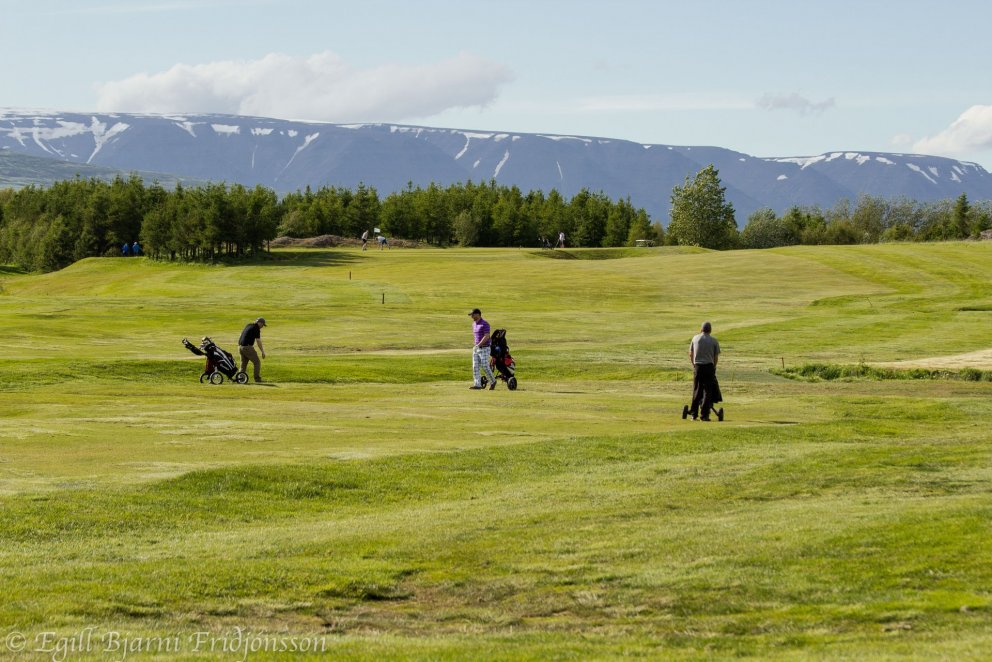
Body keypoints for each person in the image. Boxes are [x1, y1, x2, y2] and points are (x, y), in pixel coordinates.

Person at [688, 321, 722, 421]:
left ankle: (694, 414)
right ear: (710, 330)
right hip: (709, 367)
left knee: (697, 390)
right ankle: (704, 415)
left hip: (698, 367)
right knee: (708, 391)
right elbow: (716, 357)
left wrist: (694, 365)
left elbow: (691, 354)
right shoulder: (714, 341)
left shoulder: (695, 338)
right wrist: (714, 367)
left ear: (701, 329)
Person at [468, 308, 497, 390]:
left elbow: (487, 336)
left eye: (473, 315)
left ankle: (493, 381)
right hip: (476, 348)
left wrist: (479, 344)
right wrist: (476, 345)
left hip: (485, 348)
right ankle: (477, 384)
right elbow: (476, 336)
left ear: (478, 314)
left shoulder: (485, 324)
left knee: (484, 365)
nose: (471, 317)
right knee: (475, 367)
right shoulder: (474, 324)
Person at [238, 317, 267, 383]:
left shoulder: (248, 325)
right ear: (259, 323)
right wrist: (262, 351)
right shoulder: (256, 328)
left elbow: (241, 334)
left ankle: (240, 379)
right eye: (262, 325)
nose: (262, 326)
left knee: (243, 364)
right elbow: (258, 341)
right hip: (247, 347)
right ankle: (257, 379)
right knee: (257, 362)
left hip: (240, 347)